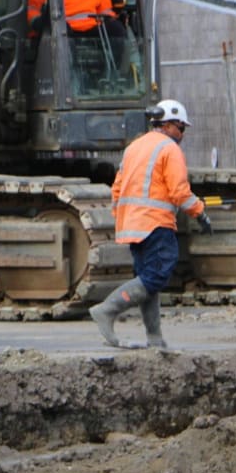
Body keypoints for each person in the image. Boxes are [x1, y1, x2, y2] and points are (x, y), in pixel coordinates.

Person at [88, 99, 213, 349]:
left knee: (147, 278)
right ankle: (107, 309)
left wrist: (124, 215)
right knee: (156, 276)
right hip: (155, 224)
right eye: (181, 128)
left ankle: (154, 337)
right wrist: (200, 213)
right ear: (167, 125)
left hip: (133, 225)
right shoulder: (169, 149)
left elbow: (117, 188)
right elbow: (179, 192)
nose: (182, 134)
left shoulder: (133, 147)